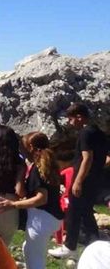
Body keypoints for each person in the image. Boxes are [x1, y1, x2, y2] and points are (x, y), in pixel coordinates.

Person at [0, 132, 64, 269]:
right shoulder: (48, 164)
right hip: (52, 217)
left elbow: (41, 198)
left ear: (30, 147)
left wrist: (13, 204)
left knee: (35, 260)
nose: (20, 149)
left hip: (41, 219)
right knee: (30, 248)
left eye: (22, 146)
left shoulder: (37, 170)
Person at [49, 103, 109, 259]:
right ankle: (96, 245)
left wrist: (78, 181)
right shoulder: (99, 133)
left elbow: (87, 158)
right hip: (95, 178)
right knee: (86, 212)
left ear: (79, 117)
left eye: (70, 119)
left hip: (84, 179)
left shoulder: (85, 133)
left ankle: (70, 246)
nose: (69, 123)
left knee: (73, 211)